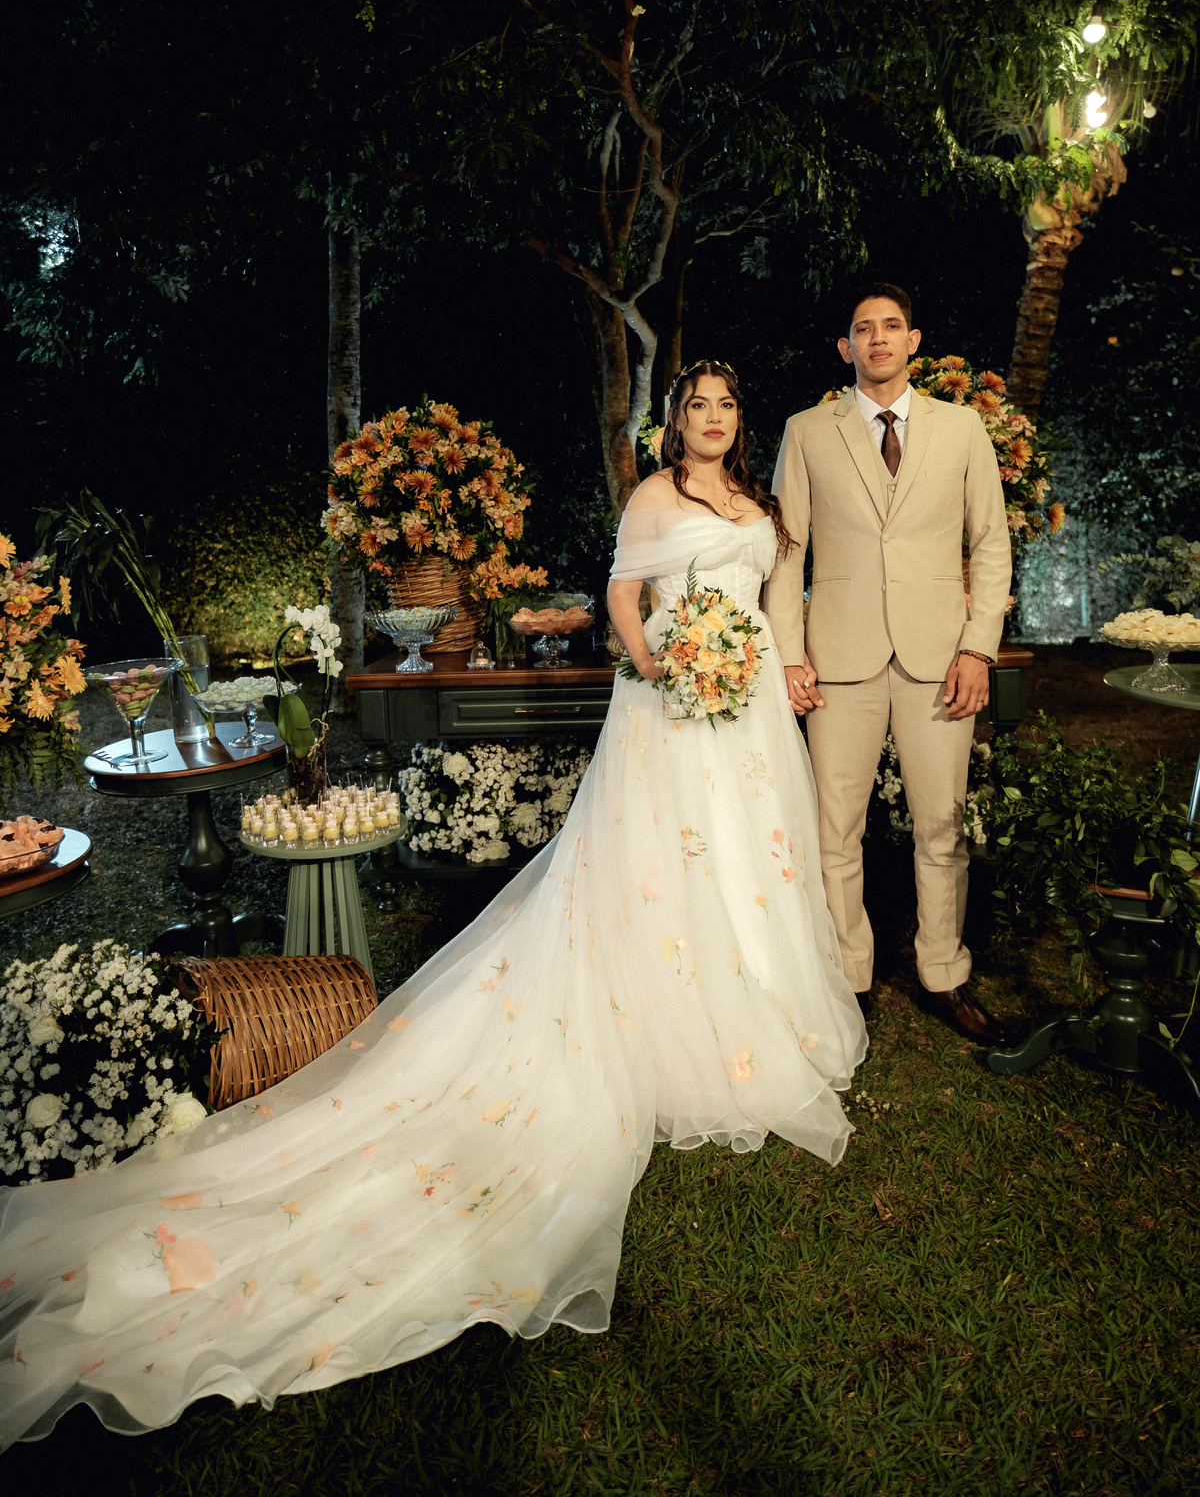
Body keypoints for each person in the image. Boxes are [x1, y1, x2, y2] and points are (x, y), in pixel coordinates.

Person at [0, 361, 865, 1450]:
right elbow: (621, 600)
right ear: (675, 422)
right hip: (675, 707)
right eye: (697, 405)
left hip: (749, 710)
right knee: (672, 862)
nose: (712, 419)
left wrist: (770, 669)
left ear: (740, 422)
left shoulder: (755, 503)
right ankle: (675, 1010)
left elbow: (775, 601)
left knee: (751, 858)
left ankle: (754, 1002)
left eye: (726, 406)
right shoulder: (657, 496)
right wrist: (662, 666)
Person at [767, 285, 1012, 1045]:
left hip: (941, 659)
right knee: (834, 830)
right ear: (846, 348)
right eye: (863, 329)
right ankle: (850, 977)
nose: (878, 339)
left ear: (913, 341)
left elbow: (991, 543)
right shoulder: (808, 431)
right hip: (837, 660)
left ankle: (944, 972)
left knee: (942, 827)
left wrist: (978, 647)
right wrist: (789, 656)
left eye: (892, 327)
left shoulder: (963, 428)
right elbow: (787, 551)